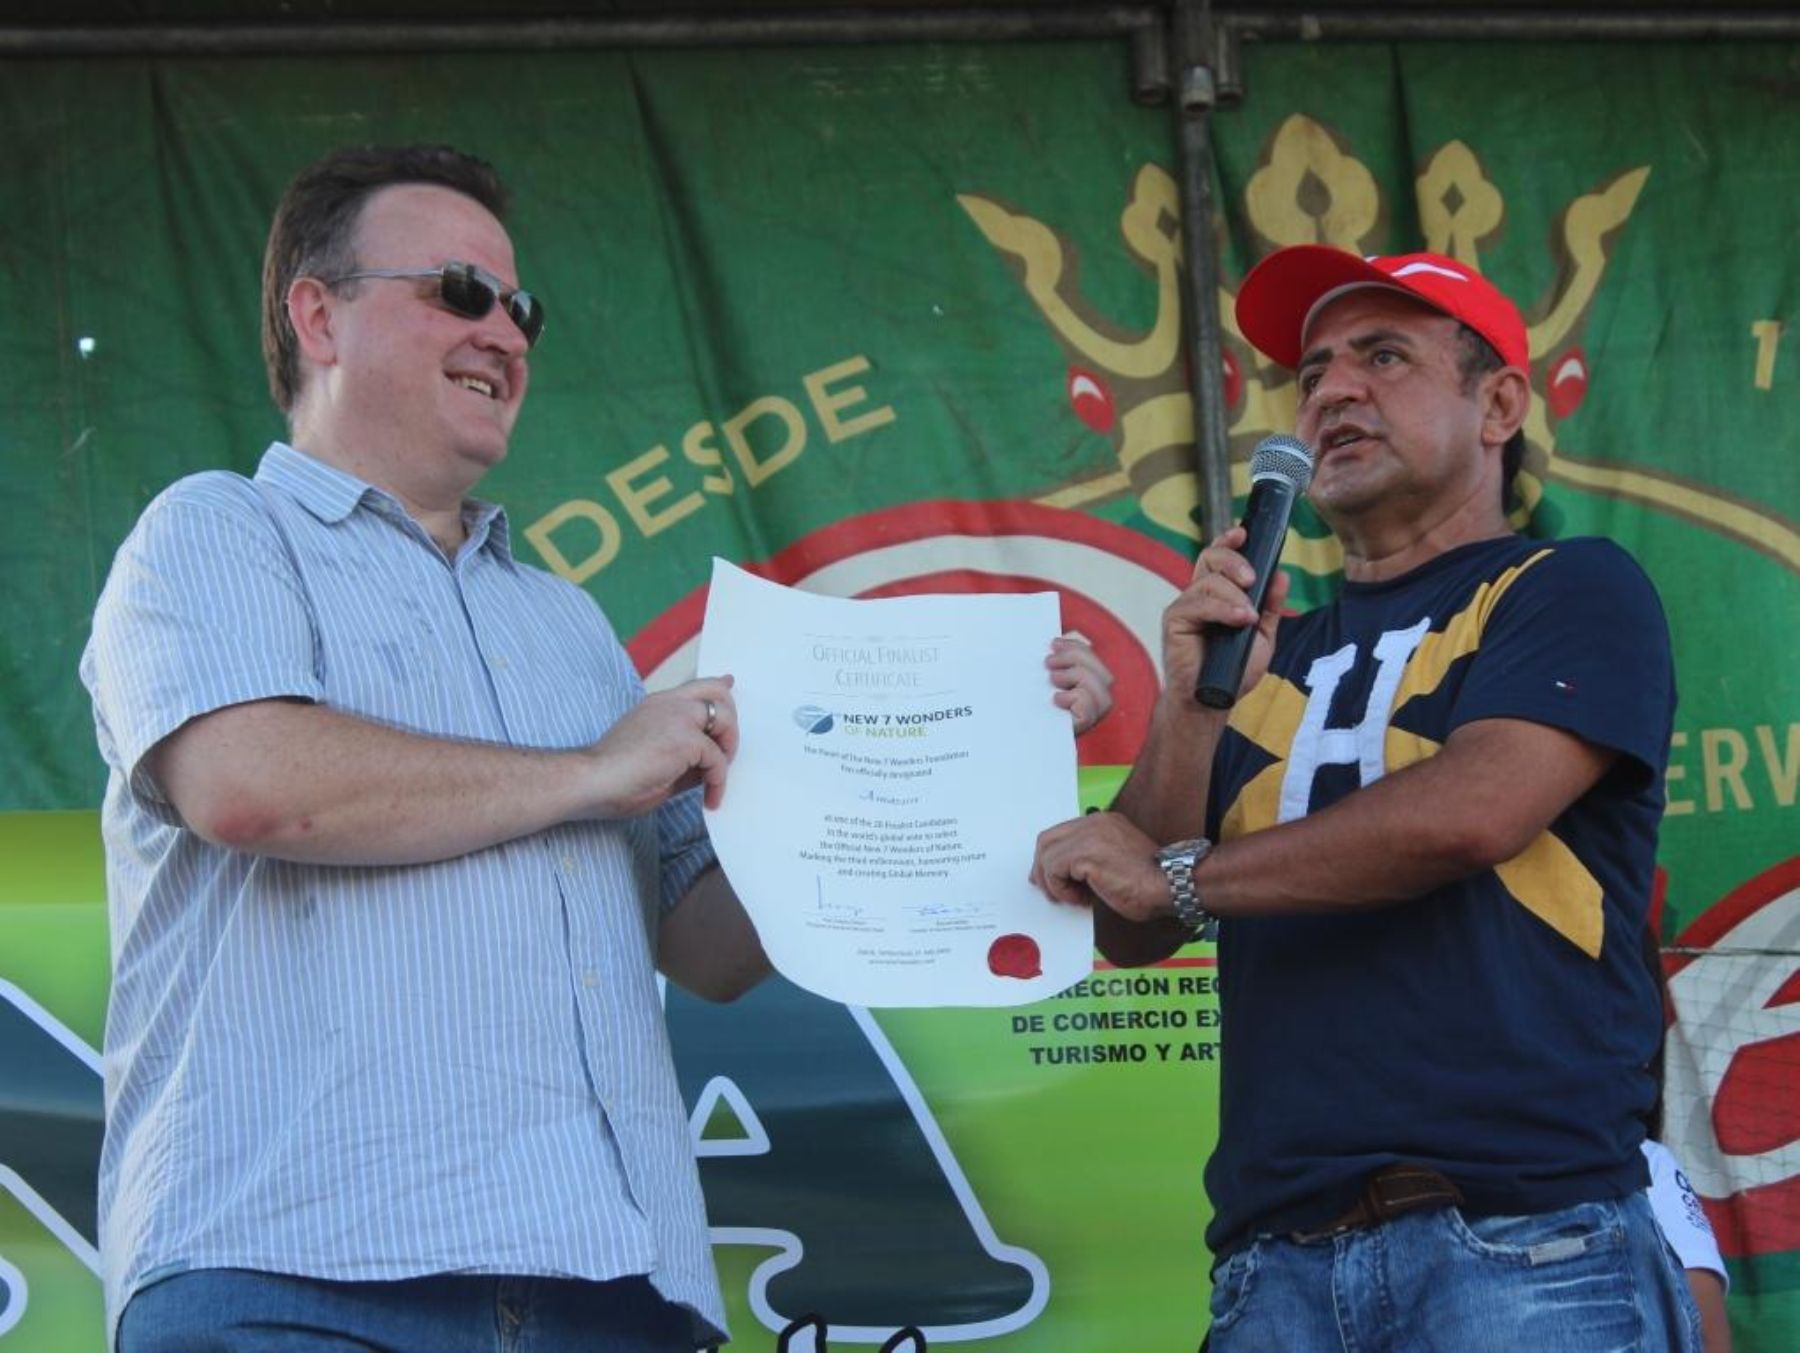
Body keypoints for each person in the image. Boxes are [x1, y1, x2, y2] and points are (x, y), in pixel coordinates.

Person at [81, 143, 1113, 1352]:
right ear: (319, 315)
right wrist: (588, 776)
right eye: (459, 292)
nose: (507, 333)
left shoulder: (563, 622)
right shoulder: (214, 530)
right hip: (295, 1274)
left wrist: (984, 765)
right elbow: (249, 784)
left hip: (609, 1287)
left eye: (523, 308)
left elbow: (712, 943)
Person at [1030, 245, 1701, 1349]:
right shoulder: (1262, 656)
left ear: (1498, 406)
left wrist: (1184, 879)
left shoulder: (1567, 587)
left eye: (1384, 357)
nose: (1334, 390)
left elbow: (1472, 812)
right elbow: (1128, 923)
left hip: (1522, 1238)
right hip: (1273, 1264)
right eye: (1315, 372)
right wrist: (1192, 702)